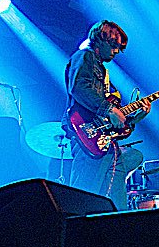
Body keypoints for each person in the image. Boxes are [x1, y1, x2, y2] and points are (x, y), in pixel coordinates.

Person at [61, 20, 151, 210]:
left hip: (105, 143)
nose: (116, 51)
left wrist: (136, 117)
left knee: (117, 204)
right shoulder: (84, 56)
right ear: (100, 40)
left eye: (119, 48)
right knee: (84, 197)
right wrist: (109, 109)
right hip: (87, 135)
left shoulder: (103, 71)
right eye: (113, 45)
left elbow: (113, 122)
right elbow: (79, 88)